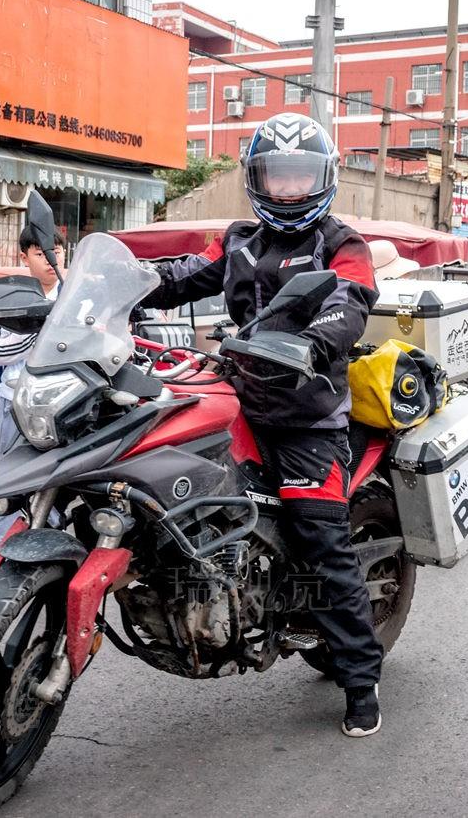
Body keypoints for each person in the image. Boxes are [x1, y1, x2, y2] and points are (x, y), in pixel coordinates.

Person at [140, 112, 384, 738]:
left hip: (305, 413)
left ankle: (361, 681)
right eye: (276, 178)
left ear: (322, 179)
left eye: (300, 177)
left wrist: (311, 343)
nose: (288, 190)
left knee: (321, 538)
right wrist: (125, 285)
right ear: (256, 179)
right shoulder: (239, 241)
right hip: (235, 396)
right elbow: (182, 278)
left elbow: (350, 304)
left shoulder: (341, 243)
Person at [0, 231, 65, 548]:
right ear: (24, 258)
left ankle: (52, 549)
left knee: (60, 483)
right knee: (10, 482)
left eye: (54, 251)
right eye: (39, 253)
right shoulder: (9, 294)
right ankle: (2, 553)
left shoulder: (75, 296)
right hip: (16, 405)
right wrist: (39, 327)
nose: (49, 259)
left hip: (66, 405)